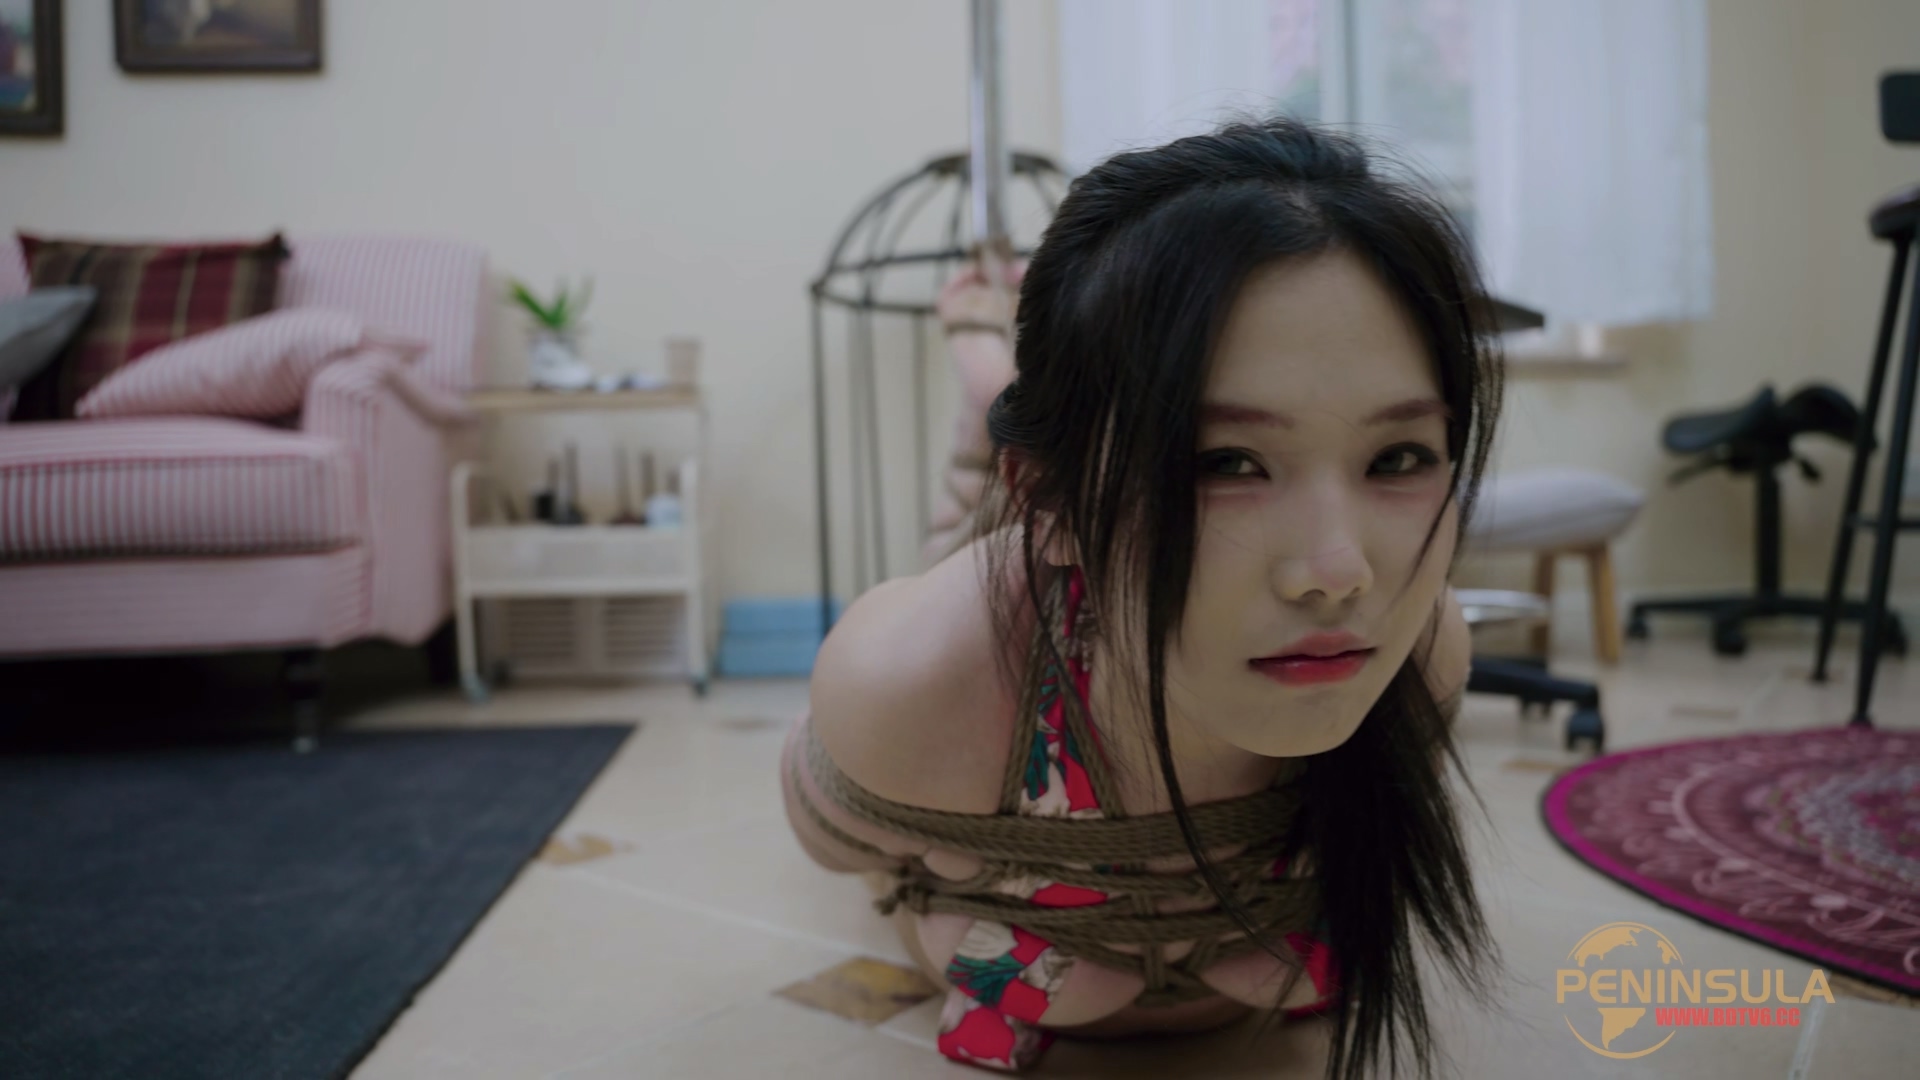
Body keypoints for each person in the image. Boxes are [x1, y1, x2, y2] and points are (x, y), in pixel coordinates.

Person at [783, 116, 1504, 1079]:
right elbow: (836, 845)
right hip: (1027, 610)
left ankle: (999, 398)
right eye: (1227, 462)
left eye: (1399, 457)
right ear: (1050, 496)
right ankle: (983, 399)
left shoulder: (1422, 655)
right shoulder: (907, 686)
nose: (1339, 572)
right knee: (965, 531)